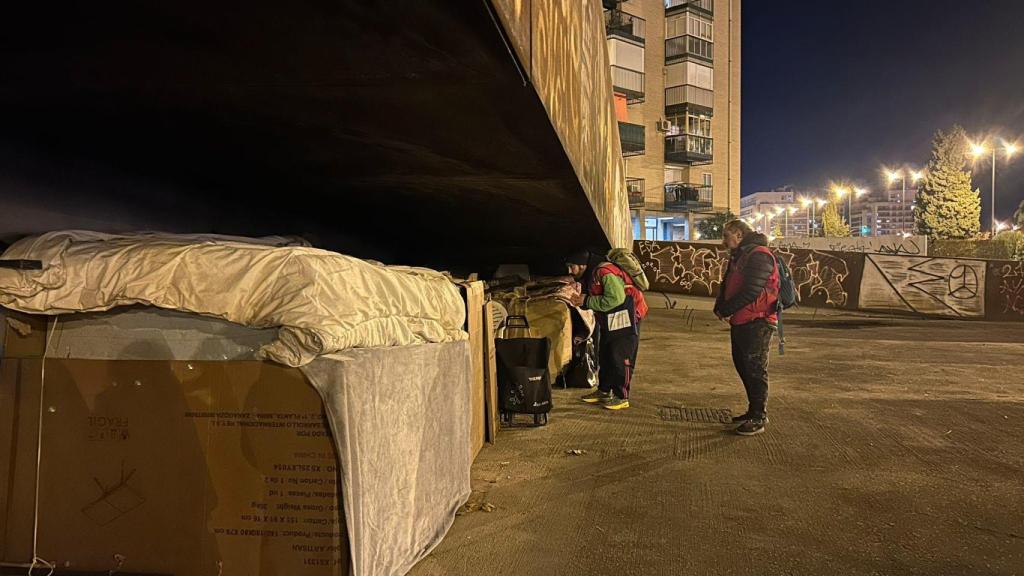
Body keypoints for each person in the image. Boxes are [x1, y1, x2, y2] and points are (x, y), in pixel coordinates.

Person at [714, 220, 779, 436]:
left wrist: (726, 309)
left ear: (739, 234)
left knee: (755, 368)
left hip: (758, 321)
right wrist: (720, 305)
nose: (723, 240)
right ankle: (753, 410)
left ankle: (758, 416)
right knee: (743, 366)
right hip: (742, 320)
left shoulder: (759, 254)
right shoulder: (741, 255)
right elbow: (730, 283)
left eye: (726, 236)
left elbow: (752, 290)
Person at [565, 249, 647, 410]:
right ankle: (604, 391)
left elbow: (616, 299)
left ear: (583, 265)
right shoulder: (593, 274)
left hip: (628, 317)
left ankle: (621, 396)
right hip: (613, 318)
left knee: (620, 356)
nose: (569, 271)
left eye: (571, 266)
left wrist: (587, 300)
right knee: (606, 354)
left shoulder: (604, 272)